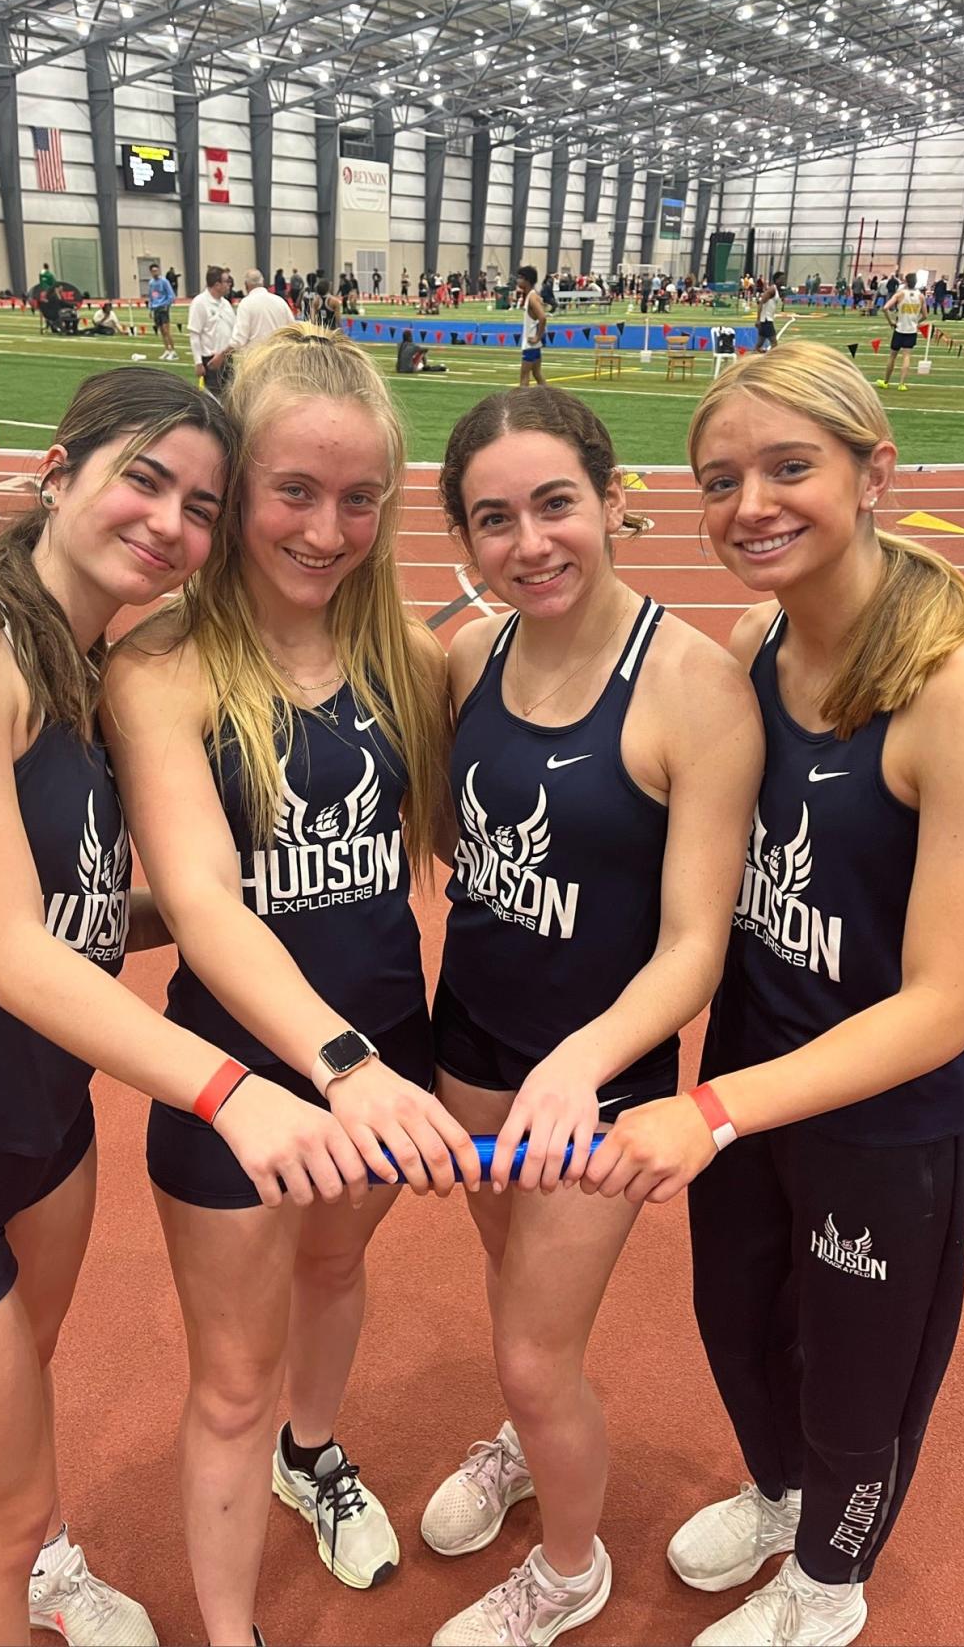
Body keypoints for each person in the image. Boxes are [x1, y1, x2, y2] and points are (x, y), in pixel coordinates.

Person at [0, 367, 379, 1647]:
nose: (170, 522)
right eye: (144, 478)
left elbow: (75, 917)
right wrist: (236, 1092)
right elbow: (14, 953)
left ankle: (47, 1557)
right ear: (59, 469)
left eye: (200, 503)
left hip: (44, 1133)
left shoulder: (81, 672)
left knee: (22, 1411)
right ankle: (26, 1557)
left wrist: (203, 912)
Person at [582, 341, 964, 1647]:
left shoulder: (958, 689)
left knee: (857, 1378)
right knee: (733, 1319)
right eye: (719, 479)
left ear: (873, 472)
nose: (749, 505)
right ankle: (779, 1499)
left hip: (890, 1119)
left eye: (788, 468)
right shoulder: (752, 637)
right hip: (754, 1075)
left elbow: (940, 1003)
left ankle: (827, 1584)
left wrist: (709, 1111)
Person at [100, 325, 479, 1645]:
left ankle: (311, 1457)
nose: (328, 529)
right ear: (241, 484)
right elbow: (200, 899)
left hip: (385, 1057)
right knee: (225, 1383)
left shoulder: (413, 660)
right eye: (294, 492)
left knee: (332, 1272)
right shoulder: (161, 665)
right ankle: (229, 1629)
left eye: (359, 497)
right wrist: (336, 1062)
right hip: (249, 1083)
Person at [421, 387, 763, 1646]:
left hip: (600, 1075)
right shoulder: (469, 656)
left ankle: (571, 1573)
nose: (531, 542)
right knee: (512, 1284)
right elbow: (454, 850)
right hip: (469, 1047)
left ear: (616, 502)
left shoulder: (693, 688)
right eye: (494, 519)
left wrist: (586, 1060)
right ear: (465, 543)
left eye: (556, 503)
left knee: (531, 1348)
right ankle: (522, 1444)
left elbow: (694, 947)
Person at [188, 264, 237, 395]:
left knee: (230, 398)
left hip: (227, 358)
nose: (229, 285)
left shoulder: (226, 304)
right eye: (227, 281)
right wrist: (198, 363)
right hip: (210, 361)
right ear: (217, 285)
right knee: (215, 400)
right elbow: (194, 334)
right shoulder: (200, 303)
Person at [876, 270, 925, 390]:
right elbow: (925, 315)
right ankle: (901, 384)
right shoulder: (921, 296)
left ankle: (886, 382)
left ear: (906, 282)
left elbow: (885, 308)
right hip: (911, 330)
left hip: (899, 328)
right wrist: (916, 323)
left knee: (892, 356)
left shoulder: (900, 294)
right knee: (906, 357)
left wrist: (890, 321)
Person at [231, 266, 295, 351]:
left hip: (256, 357)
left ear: (246, 285)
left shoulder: (245, 304)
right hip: (280, 355)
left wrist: (223, 352)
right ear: (263, 282)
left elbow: (240, 338)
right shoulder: (280, 301)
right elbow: (293, 328)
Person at [515, 265, 548, 387]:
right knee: (537, 374)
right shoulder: (531, 296)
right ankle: (550, 399)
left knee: (524, 377)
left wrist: (537, 337)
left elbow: (543, 318)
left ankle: (522, 404)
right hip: (533, 343)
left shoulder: (532, 297)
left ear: (527, 280)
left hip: (530, 343)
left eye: (520, 278)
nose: (518, 281)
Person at [146, 262, 178, 359]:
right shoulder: (151, 283)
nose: (155, 272)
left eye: (156, 270)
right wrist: (150, 309)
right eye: (153, 271)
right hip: (156, 308)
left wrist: (166, 304)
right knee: (161, 331)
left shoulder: (164, 281)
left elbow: (171, 295)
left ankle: (173, 350)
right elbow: (151, 296)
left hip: (163, 308)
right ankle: (167, 350)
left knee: (166, 330)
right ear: (151, 272)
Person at [756, 278, 782, 351]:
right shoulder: (772, 290)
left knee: (759, 345)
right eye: (781, 278)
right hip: (767, 320)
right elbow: (761, 303)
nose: (783, 281)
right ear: (776, 279)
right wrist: (758, 319)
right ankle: (772, 360)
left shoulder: (776, 290)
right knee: (774, 343)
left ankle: (752, 357)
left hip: (766, 319)